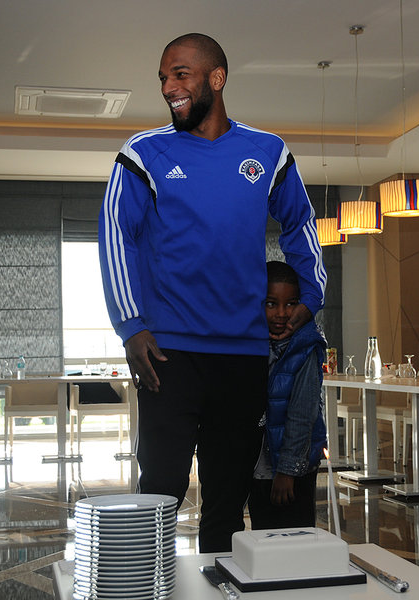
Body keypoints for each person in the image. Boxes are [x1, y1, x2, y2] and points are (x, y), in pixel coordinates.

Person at [97, 34, 325, 552]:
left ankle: (219, 582)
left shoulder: (267, 151)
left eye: (180, 74)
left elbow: (300, 222)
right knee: (160, 491)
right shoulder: (143, 153)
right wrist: (131, 326)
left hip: (243, 357)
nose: (168, 87)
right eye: (163, 78)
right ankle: (147, 582)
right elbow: (115, 236)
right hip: (167, 356)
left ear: (216, 78)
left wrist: (311, 296)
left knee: (226, 502)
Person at [248, 261, 327, 530]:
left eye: (291, 303)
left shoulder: (305, 346)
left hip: (293, 469)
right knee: (262, 539)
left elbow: (303, 413)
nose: (282, 313)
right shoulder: (251, 344)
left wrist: (287, 470)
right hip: (259, 468)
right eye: (271, 304)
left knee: (296, 539)